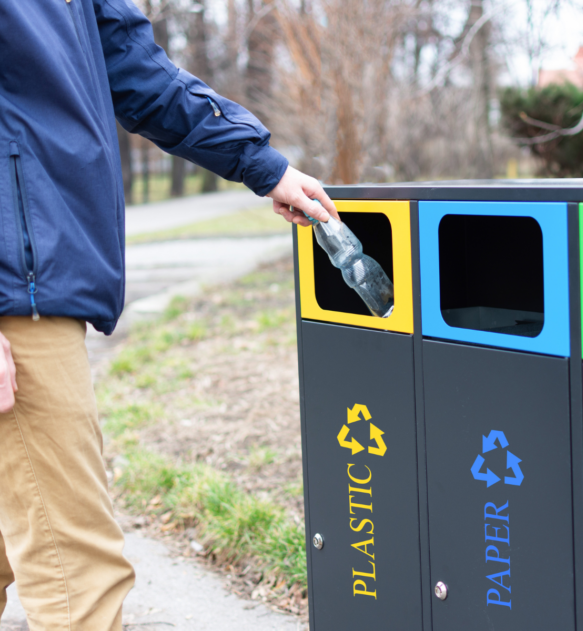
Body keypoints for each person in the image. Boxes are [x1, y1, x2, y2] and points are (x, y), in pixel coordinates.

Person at [0, 2, 336, 629]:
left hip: (34, 273)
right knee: (79, 578)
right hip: (17, 291)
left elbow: (136, 71)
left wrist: (265, 167)